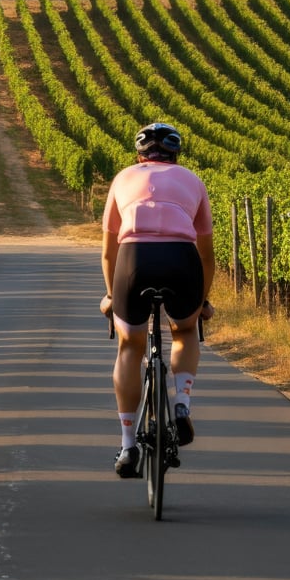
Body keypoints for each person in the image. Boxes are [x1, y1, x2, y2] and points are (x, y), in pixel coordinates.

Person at [99, 122, 216, 479]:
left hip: (134, 260)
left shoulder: (122, 179)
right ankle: (181, 404)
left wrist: (111, 296)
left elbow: (109, 251)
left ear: (140, 156)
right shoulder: (193, 180)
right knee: (184, 331)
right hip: (181, 260)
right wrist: (202, 301)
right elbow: (206, 254)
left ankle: (127, 446)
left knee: (129, 345)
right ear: (176, 154)